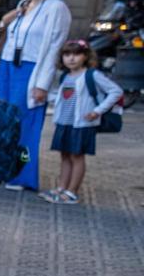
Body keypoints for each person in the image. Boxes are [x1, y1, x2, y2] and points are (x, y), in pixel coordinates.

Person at [0, 0, 72, 192]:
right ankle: (2, 169)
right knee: (2, 122)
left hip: (30, 71)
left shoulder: (56, 8)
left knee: (26, 126)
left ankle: (22, 175)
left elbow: (53, 48)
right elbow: (5, 27)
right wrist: (17, 12)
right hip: (7, 66)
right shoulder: (25, 5)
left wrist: (42, 84)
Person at [40, 39, 124, 204]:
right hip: (64, 122)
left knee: (76, 156)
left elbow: (116, 91)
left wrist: (97, 111)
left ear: (85, 56)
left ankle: (72, 192)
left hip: (82, 124)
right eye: (67, 54)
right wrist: (46, 97)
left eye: (76, 54)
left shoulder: (92, 75)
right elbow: (64, 97)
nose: (71, 58)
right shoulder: (66, 76)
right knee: (64, 156)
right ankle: (61, 188)